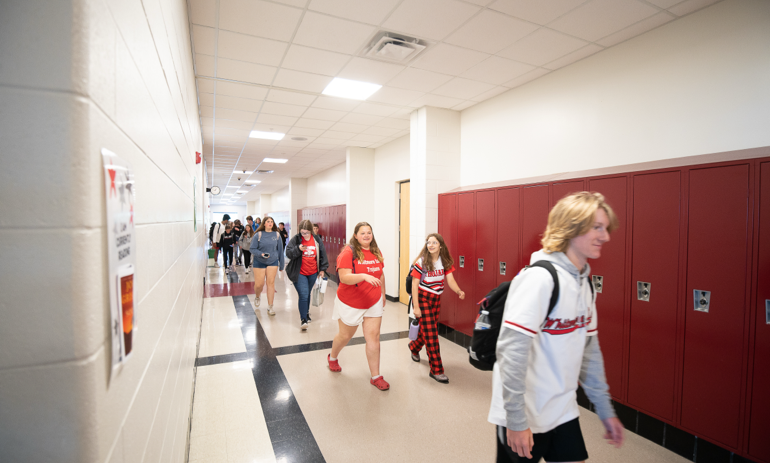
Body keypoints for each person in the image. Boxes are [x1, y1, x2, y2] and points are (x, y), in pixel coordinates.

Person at [489, 192, 624, 463]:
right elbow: (511, 353)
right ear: (571, 228)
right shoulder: (540, 279)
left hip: (562, 409)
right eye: (596, 227)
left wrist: (605, 409)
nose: (605, 236)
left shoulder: (584, 283)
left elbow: (589, 351)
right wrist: (516, 421)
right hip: (524, 411)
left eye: (605, 227)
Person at [327, 222, 388, 391]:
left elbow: (380, 274)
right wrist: (363, 276)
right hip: (350, 301)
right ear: (355, 235)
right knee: (345, 336)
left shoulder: (376, 251)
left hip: (372, 300)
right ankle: (332, 357)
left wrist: (383, 293)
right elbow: (344, 277)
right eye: (363, 233)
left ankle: (376, 376)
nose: (367, 235)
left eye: (369, 232)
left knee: (373, 338)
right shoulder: (348, 252)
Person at [409, 233, 465, 384]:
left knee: (428, 329)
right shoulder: (422, 262)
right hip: (422, 297)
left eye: (434, 242)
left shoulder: (445, 261)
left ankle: (414, 347)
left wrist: (459, 290)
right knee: (432, 334)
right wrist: (416, 307)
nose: (431, 245)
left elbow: (450, 280)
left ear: (441, 245)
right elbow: (415, 284)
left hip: (436, 298)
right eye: (429, 243)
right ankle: (436, 370)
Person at [285, 220, 329, 330]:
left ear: (311, 231)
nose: (304, 235)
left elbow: (323, 254)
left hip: (313, 272)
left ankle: (307, 312)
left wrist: (322, 269)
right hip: (299, 272)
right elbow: (288, 252)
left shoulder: (316, 239)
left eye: (306, 232)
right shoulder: (296, 239)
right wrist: (298, 249)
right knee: (303, 294)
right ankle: (303, 319)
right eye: (302, 232)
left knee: (307, 294)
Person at [250, 216, 285, 315]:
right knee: (259, 284)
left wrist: (281, 265)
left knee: (271, 283)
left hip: (273, 261)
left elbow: (280, 251)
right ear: (264, 224)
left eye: (272, 221)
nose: (270, 223)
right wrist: (261, 254)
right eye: (268, 221)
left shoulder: (277, 235)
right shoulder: (258, 235)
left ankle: (270, 306)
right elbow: (252, 249)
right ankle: (257, 296)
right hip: (259, 261)